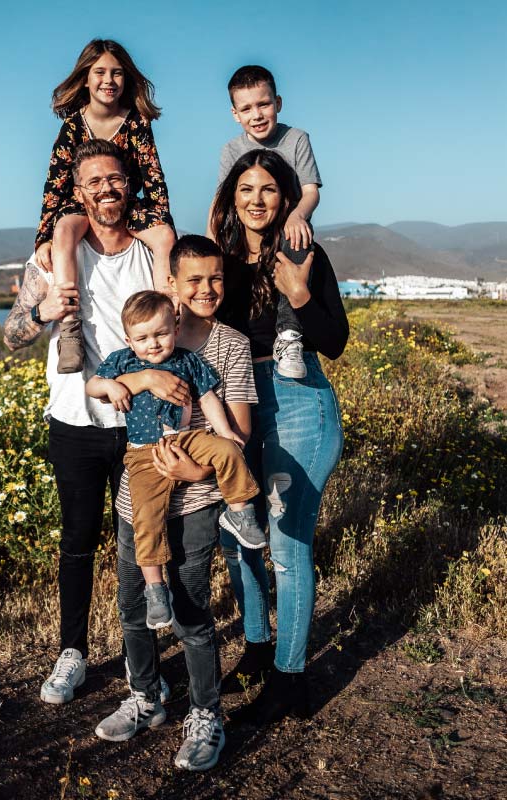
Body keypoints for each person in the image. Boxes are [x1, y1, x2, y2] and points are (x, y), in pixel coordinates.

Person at [3, 139, 183, 706]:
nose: (107, 189)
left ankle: (144, 667)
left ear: (128, 184)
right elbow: (11, 337)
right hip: (75, 422)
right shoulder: (55, 257)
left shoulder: (153, 255)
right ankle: (71, 653)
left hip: (142, 426)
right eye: (94, 183)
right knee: (78, 542)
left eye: (115, 179)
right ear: (78, 193)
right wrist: (41, 311)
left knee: (143, 544)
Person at [94, 235, 258, 771]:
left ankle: (206, 712)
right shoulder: (143, 336)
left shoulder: (228, 345)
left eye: (215, 279)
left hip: (198, 497)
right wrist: (141, 376)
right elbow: (98, 386)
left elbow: (238, 428)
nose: (206, 289)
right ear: (171, 285)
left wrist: (195, 470)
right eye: (194, 279)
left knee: (190, 610)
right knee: (134, 603)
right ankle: (146, 696)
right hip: (135, 494)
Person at [210, 149, 349, 725]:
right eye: (246, 189)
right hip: (238, 400)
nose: (257, 200)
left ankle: (291, 679)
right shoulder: (219, 260)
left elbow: (334, 339)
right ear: (231, 197)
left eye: (269, 189)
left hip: (298, 402)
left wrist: (296, 290)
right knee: (238, 534)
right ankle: (258, 649)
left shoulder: (304, 254)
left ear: (286, 197)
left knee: (288, 548)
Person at [87, 289, 265, 629]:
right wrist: (111, 388)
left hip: (188, 438)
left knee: (229, 450)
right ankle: (156, 588)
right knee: (146, 517)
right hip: (143, 453)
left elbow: (209, 398)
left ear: (176, 328)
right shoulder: (123, 361)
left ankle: (240, 512)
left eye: (161, 334)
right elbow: (92, 385)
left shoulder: (187, 360)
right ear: (129, 339)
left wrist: (225, 431)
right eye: (143, 338)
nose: (153, 344)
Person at [34, 39, 176, 374]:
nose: (108, 80)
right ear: (85, 78)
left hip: (128, 204)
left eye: (116, 73)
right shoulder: (72, 126)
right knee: (65, 229)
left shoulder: (137, 122)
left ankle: (168, 313)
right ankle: (70, 327)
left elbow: (153, 176)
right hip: (81, 205)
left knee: (165, 237)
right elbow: (54, 184)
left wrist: (161, 222)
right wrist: (43, 237)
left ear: (126, 79)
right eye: (100, 72)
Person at [208, 64, 323, 380]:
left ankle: (289, 336)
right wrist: (209, 244)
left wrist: (298, 214)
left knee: (297, 237)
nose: (256, 114)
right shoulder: (231, 150)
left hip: (287, 230)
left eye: (263, 104)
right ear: (235, 114)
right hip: (246, 233)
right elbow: (220, 201)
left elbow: (311, 191)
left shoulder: (296, 139)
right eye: (247, 108)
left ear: (278, 104)